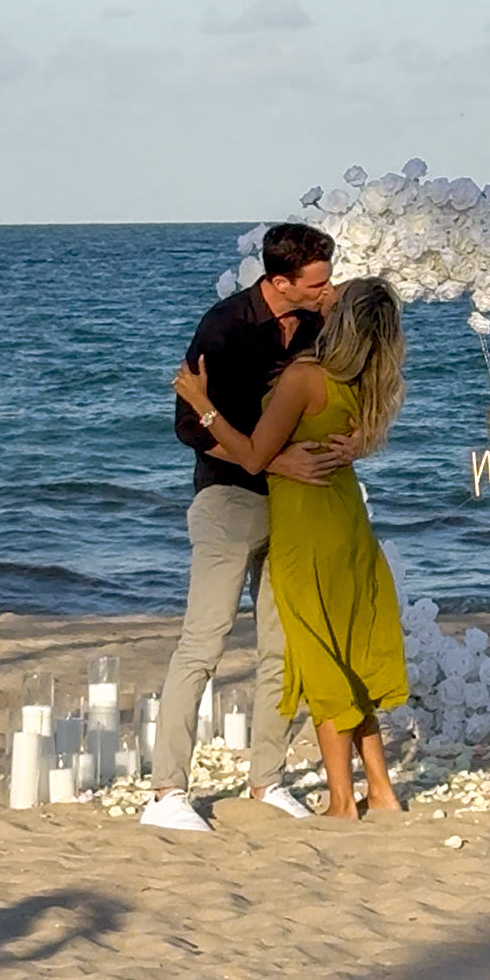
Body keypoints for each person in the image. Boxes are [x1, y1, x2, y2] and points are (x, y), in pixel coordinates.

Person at [142, 222, 352, 834]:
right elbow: (191, 424)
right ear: (280, 280)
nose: (326, 288)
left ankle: (268, 780)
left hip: (295, 505)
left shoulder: (319, 324)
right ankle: (165, 794)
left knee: (281, 648)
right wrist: (272, 457)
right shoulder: (226, 325)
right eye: (317, 282)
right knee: (203, 642)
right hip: (228, 497)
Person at [173, 278, 408, 821]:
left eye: (336, 295)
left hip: (307, 528)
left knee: (319, 658)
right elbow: (359, 438)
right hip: (349, 521)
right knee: (349, 657)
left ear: (343, 321)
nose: (327, 295)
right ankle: (383, 792)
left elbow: (254, 457)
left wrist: (202, 405)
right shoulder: (371, 382)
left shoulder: (307, 378)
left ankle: (343, 802)